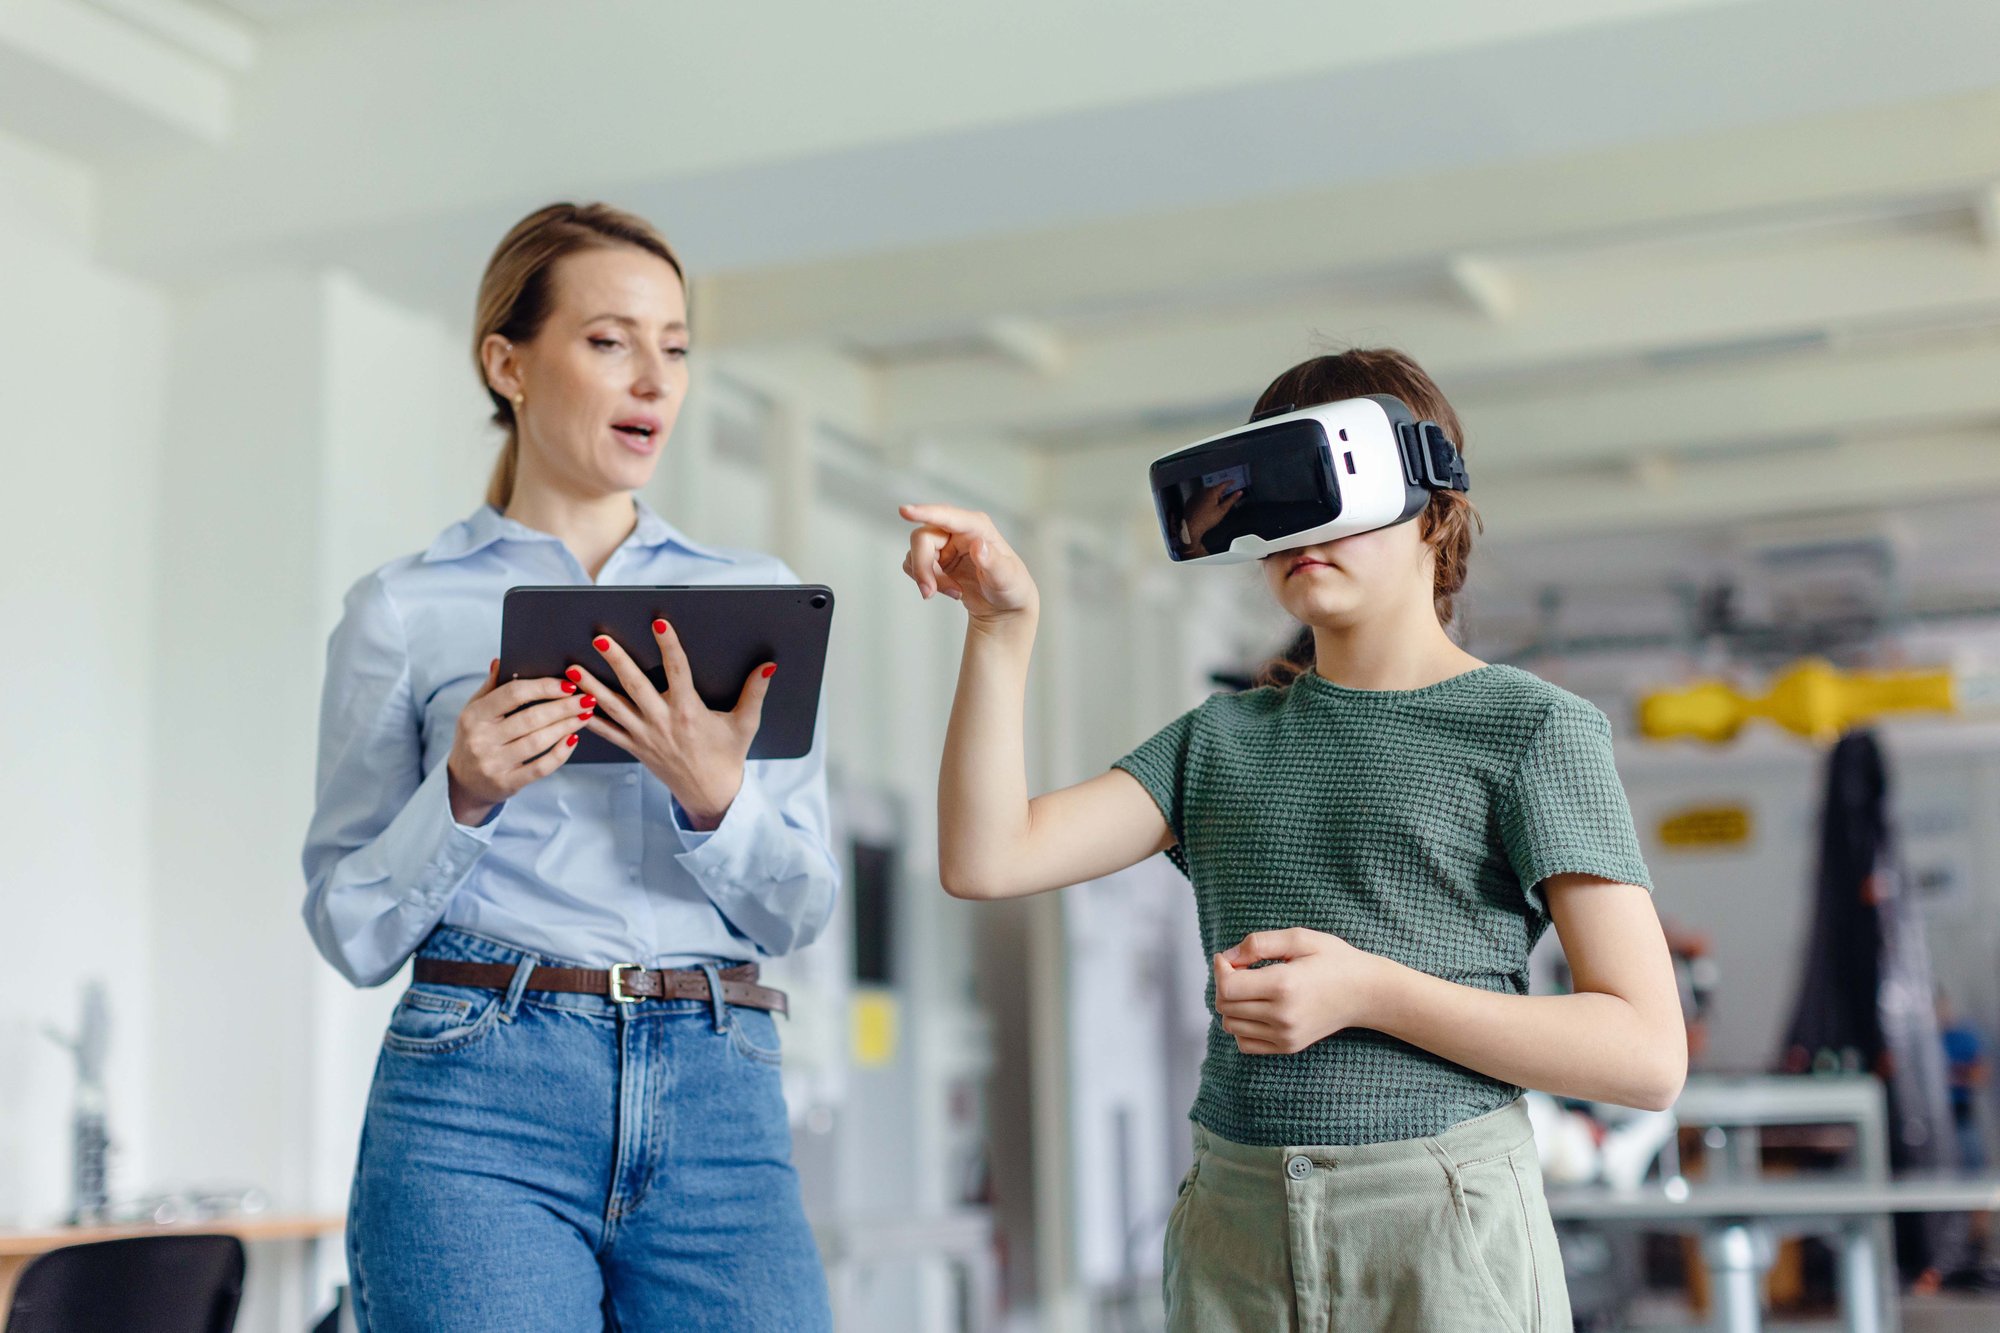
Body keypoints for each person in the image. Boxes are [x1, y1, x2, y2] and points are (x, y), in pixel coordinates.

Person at [898, 347, 1687, 1331]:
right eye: (1267, 497)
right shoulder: (1218, 740)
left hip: (1438, 1224)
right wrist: (997, 628)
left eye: (1329, 488)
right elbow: (987, 857)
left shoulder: (1530, 728)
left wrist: (1367, 989)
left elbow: (1645, 1052)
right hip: (1235, 1218)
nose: (1297, 529)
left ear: (1434, 511)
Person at [302, 202, 836, 1331]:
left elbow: (801, 906)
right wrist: (463, 795)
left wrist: (714, 795)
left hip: (720, 1084)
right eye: (608, 341)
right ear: (509, 362)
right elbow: (350, 928)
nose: (653, 378)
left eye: (675, 347)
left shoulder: (756, 599)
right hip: (478, 1096)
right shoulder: (404, 610)